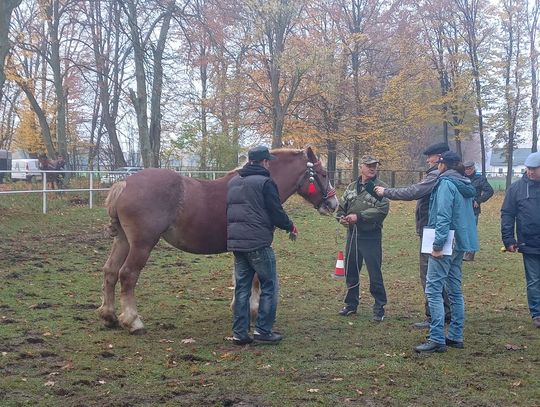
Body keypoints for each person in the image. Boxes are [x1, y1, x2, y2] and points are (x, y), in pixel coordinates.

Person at [374, 142, 451, 329]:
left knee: (429, 275)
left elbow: (414, 192)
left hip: (432, 231)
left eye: (430, 157)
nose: (428, 160)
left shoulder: (436, 175)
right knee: (443, 274)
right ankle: (446, 312)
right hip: (439, 229)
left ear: (439, 157)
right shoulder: (448, 175)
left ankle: (434, 315)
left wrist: (386, 192)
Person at [226, 145, 298, 345]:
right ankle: (263, 330)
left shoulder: (233, 182)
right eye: (268, 162)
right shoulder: (266, 183)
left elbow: (230, 210)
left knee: (242, 287)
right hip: (258, 242)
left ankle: (240, 333)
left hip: (237, 243)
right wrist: (289, 226)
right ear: (265, 162)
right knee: (269, 285)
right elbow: (276, 211)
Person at [414, 151, 478, 353]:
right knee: (455, 290)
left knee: (433, 290)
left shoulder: (445, 184)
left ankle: (436, 338)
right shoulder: (465, 184)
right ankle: (456, 335)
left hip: (446, 242)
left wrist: (437, 245)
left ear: (443, 165)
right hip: (461, 242)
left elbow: (443, 216)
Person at [336, 155, 390, 322]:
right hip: (353, 236)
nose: (372, 168)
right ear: (361, 167)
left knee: (375, 273)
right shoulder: (351, 187)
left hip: (371, 236)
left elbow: (382, 210)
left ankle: (379, 307)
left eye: (374, 165)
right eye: (369, 165)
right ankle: (351, 304)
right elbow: (340, 209)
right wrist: (342, 218)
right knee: (351, 271)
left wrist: (358, 217)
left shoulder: (381, 188)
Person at [501, 151, 540, 329]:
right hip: (530, 243)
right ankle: (537, 314)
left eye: (534, 169)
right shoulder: (516, 189)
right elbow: (508, 214)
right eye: (528, 169)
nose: (530, 172)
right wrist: (508, 239)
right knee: (534, 280)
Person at [462, 161, 494, 261]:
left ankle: (470, 254)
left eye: (469, 169)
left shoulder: (480, 179)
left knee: (471, 231)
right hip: (461, 208)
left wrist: (479, 200)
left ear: (473, 168)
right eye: (466, 169)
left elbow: (490, 191)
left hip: (473, 209)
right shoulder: (461, 177)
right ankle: (460, 251)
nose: (467, 171)